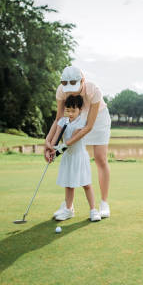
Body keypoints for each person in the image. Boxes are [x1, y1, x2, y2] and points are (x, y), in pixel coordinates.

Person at [44, 66, 111, 219]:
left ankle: (104, 203)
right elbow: (59, 119)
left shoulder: (93, 90)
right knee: (72, 157)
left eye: (74, 87)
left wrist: (63, 146)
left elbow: (88, 126)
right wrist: (48, 142)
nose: (71, 92)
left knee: (100, 158)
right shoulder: (61, 90)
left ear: (83, 81)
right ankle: (68, 208)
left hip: (97, 120)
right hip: (75, 117)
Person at [49, 94, 101, 222]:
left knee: (86, 184)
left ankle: (93, 210)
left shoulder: (81, 121)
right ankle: (68, 210)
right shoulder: (62, 121)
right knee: (69, 185)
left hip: (79, 157)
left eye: (74, 110)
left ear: (80, 110)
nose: (70, 113)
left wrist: (61, 147)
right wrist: (51, 150)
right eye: (68, 110)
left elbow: (73, 138)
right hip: (68, 157)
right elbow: (56, 137)